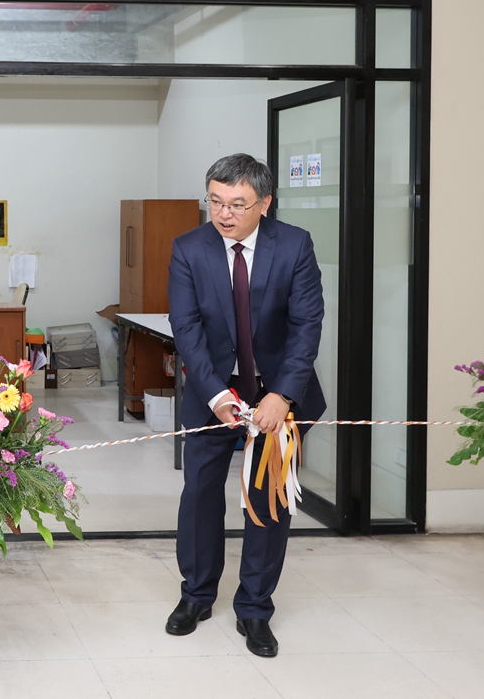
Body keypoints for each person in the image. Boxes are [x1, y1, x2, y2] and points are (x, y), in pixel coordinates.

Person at [164, 153, 326, 658]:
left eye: (237, 204)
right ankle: (196, 596)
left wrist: (282, 395)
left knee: (268, 500)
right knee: (199, 495)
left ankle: (255, 607)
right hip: (213, 392)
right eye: (215, 201)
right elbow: (186, 329)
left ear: (265, 203)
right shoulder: (189, 248)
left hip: (276, 394)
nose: (224, 214)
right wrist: (215, 395)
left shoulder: (294, 245)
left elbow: (306, 325)